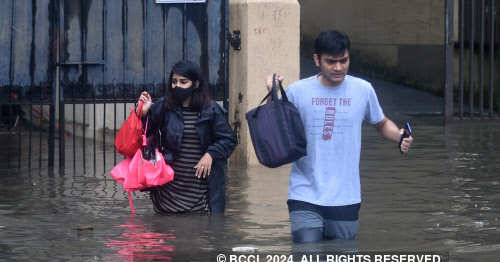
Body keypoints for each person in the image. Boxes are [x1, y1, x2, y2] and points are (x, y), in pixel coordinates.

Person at [266, 30, 414, 243]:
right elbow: (273, 128)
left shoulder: (363, 90)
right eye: (331, 61)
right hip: (304, 194)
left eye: (343, 61)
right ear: (317, 59)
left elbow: (381, 122)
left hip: (346, 196)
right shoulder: (298, 91)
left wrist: (399, 136)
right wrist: (273, 96)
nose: (338, 67)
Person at [139, 60, 236, 215]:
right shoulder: (164, 107)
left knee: (199, 233)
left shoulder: (211, 110)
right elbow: (143, 134)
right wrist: (144, 114)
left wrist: (211, 154)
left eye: (183, 82)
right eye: (174, 82)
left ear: (196, 84)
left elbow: (229, 140)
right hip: (167, 193)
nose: (177, 86)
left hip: (200, 195)